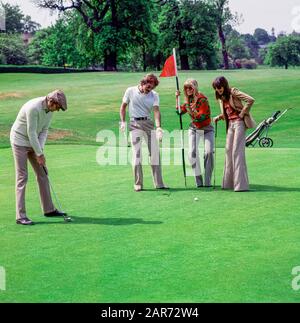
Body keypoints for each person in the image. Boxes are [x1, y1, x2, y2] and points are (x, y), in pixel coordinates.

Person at [10, 90, 68, 225]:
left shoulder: (49, 111)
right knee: (22, 177)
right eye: (57, 107)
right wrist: (39, 154)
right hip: (20, 141)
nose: (57, 110)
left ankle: (49, 209)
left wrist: (40, 151)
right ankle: (21, 216)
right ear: (51, 102)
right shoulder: (33, 108)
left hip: (33, 141)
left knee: (43, 173)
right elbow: (31, 132)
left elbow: (44, 130)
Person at [120, 74, 168, 192]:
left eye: (152, 88)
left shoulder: (154, 95)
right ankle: (138, 184)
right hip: (134, 124)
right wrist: (122, 122)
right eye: (148, 87)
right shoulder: (130, 90)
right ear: (142, 83)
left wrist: (158, 128)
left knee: (155, 154)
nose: (149, 90)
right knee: (136, 155)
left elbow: (156, 111)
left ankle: (159, 183)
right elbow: (123, 107)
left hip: (148, 123)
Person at [212, 76, 256, 192]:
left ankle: (241, 186)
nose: (218, 89)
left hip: (239, 123)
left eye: (219, 87)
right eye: (216, 88)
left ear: (224, 85)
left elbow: (250, 100)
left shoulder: (233, 92)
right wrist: (219, 117)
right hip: (230, 125)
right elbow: (228, 112)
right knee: (228, 151)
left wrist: (242, 114)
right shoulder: (221, 98)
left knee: (237, 152)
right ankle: (228, 184)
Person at [176, 79, 214, 187]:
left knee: (209, 152)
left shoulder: (203, 100)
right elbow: (179, 112)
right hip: (194, 129)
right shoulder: (187, 100)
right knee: (192, 153)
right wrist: (177, 98)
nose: (188, 90)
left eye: (190, 87)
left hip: (207, 129)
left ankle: (207, 182)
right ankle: (199, 182)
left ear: (195, 87)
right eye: (186, 88)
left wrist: (194, 110)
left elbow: (201, 117)